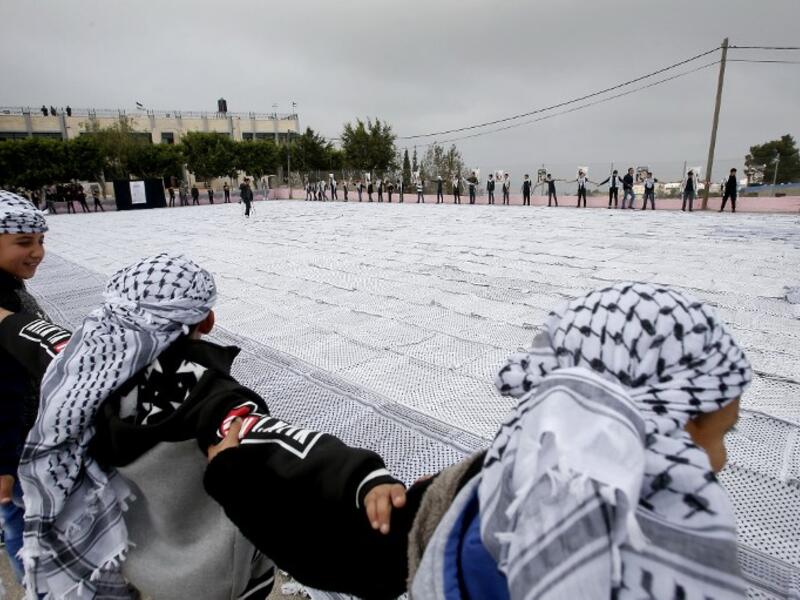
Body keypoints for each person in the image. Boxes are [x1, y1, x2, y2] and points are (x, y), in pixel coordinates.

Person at [203, 282, 752, 600]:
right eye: (714, 436)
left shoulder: (518, 469)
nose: (721, 460)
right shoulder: (510, 523)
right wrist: (234, 475)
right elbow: (351, 559)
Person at [13, 253, 404, 600]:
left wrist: (6, 319)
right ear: (208, 320)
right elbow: (274, 438)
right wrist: (361, 476)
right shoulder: (206, 393)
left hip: (135, 551)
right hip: (213, 578)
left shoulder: (84, 370)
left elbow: (35, 339)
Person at [0, 191, 69, 584]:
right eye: (24, 242)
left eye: (41, 241)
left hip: (25, 438)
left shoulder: (9, 287)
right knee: (29, 528)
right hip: (17, 449)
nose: (38, 252)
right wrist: (3, 464)